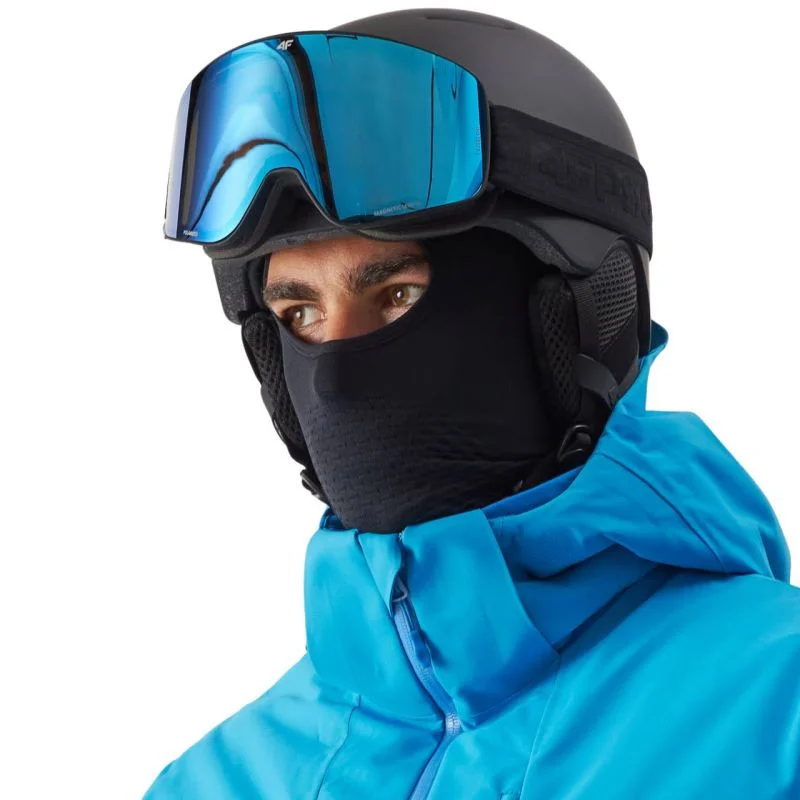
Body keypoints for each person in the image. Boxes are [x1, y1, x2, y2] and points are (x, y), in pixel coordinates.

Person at [146, 9, 800, 798]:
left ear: (580, 319)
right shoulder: (213, 781)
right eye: (301, 314)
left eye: (397, 294)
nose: (337, 379)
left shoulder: (777, 707)